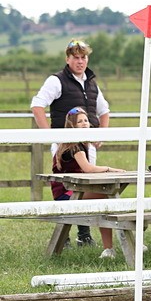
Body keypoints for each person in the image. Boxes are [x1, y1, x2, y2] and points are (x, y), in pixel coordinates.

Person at [31, 39, 111, 246]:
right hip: (64, 147)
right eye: (75, 57)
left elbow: (104, 110)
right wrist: (49, 136)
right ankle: (64, 234)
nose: (80, 61)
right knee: (65, 184)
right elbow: (37, 105)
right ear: (68, 59)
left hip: (88, 145)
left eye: (83, 57)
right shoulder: (56, 80)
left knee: (87, 183)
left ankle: (83, 235)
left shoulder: (92, 83)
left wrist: (101, 134)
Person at [54, 107, 124, 259]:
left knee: (107, 198)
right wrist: (109, 169)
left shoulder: (78, 144)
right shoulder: (74, 146)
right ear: (72, 125)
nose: (85, 123)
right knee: (107, 196)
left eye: (86, 120)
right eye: (80, 121)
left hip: (73, 191)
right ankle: (117, 243)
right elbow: (88, 168)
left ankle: (112, 247)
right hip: (66, 194)